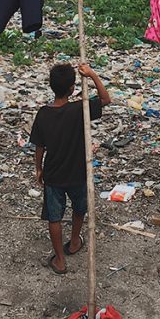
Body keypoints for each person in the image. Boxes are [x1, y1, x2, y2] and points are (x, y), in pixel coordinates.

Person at [31, 62, 112, 275]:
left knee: (54, 217)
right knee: (78, 208)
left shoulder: (43, 114)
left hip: (54, 174)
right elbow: (106, 99)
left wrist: (38, 169)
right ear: (72, 89)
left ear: (51, 86)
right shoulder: (80, 108)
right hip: (78, 172)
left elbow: (39, 146)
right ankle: (75, 241)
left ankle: (60, 260)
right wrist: (92, 74)